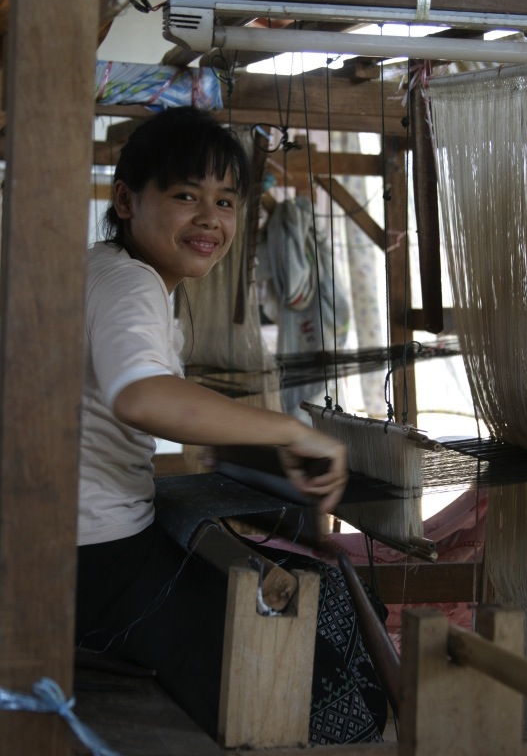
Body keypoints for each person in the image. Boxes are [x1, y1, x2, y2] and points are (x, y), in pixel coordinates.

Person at [75, 106, 387, 745]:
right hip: (92, 561)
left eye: (225, 200)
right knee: (319, 685)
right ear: (127, 200)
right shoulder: (129, 284)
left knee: (313, 602)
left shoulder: (107, 269)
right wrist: (289, 432)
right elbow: (140, 395)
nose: (210, 219)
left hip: (88, 544)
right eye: (186, 195)